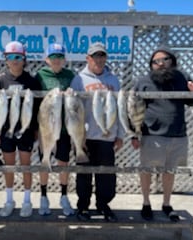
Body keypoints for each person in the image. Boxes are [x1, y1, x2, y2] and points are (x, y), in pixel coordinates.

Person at [131, 46, 193, 222]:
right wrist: (135, 134)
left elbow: (192, 102)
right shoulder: (143, 81)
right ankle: (146, 203)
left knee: (170, 172)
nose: (160, 64)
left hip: (178, 135)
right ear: (151, 65)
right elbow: (133, 110)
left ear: (172, 61)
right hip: (151, 135)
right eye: (156, 61)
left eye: (164, 60)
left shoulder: (182, 77)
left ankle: (166, 203)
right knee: (146, 170)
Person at [70, 42, 124, 222]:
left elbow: (120, 109)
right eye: (95, 56)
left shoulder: (114, 80)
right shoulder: (78, 79)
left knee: (106, 176)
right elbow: (73, 111)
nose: (99, 60)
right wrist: (77, 137)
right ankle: (83, 207)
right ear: (88, 58)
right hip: (84, 138)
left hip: (107, 137)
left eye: (102, 56)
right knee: (83, 175)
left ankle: (103, 205)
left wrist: (121, 135)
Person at [0, 41, 40, 218]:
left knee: (26, 166)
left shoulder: (32, 81)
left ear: (24, 59)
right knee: (9, 166)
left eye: (18, 57)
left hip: (26, 131)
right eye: (11, 57)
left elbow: (37, 108)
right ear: (5, 59)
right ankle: (9, 199)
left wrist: (35, 128)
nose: (14, 60)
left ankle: (27, 201)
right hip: (6, 131)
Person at [35, 43, 76, 216]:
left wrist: (73, 93)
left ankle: (64, 196)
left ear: (64, 59)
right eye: (53, 57)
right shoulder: (39, 75)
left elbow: (78, 99)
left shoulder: (71, 75)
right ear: (47, 59)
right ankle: (43, 197)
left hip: (65, 128)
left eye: (59, 57)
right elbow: (34, 103)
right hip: (45, 128)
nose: (56, 60)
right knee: (45, 162)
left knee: (63, 163)